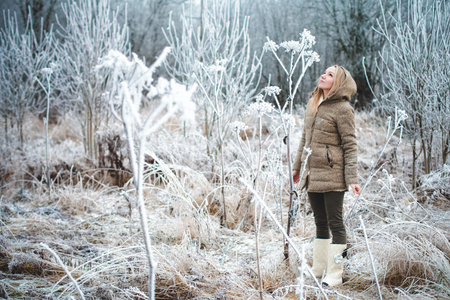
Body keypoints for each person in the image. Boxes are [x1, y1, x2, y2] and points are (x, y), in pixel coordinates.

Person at [292, 65, 361, 287]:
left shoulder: (343, 109)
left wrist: (352, 178)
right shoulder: (313, 104)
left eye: (330, 74)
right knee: (320, 222)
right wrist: (297, 167)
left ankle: (335, 273)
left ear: (339, 83)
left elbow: (350, 145)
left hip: (333, 175)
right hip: (313, 174)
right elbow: (304, 139)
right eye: (324, 72)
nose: (324, 75)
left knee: (336, 223)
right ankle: (319, 268)